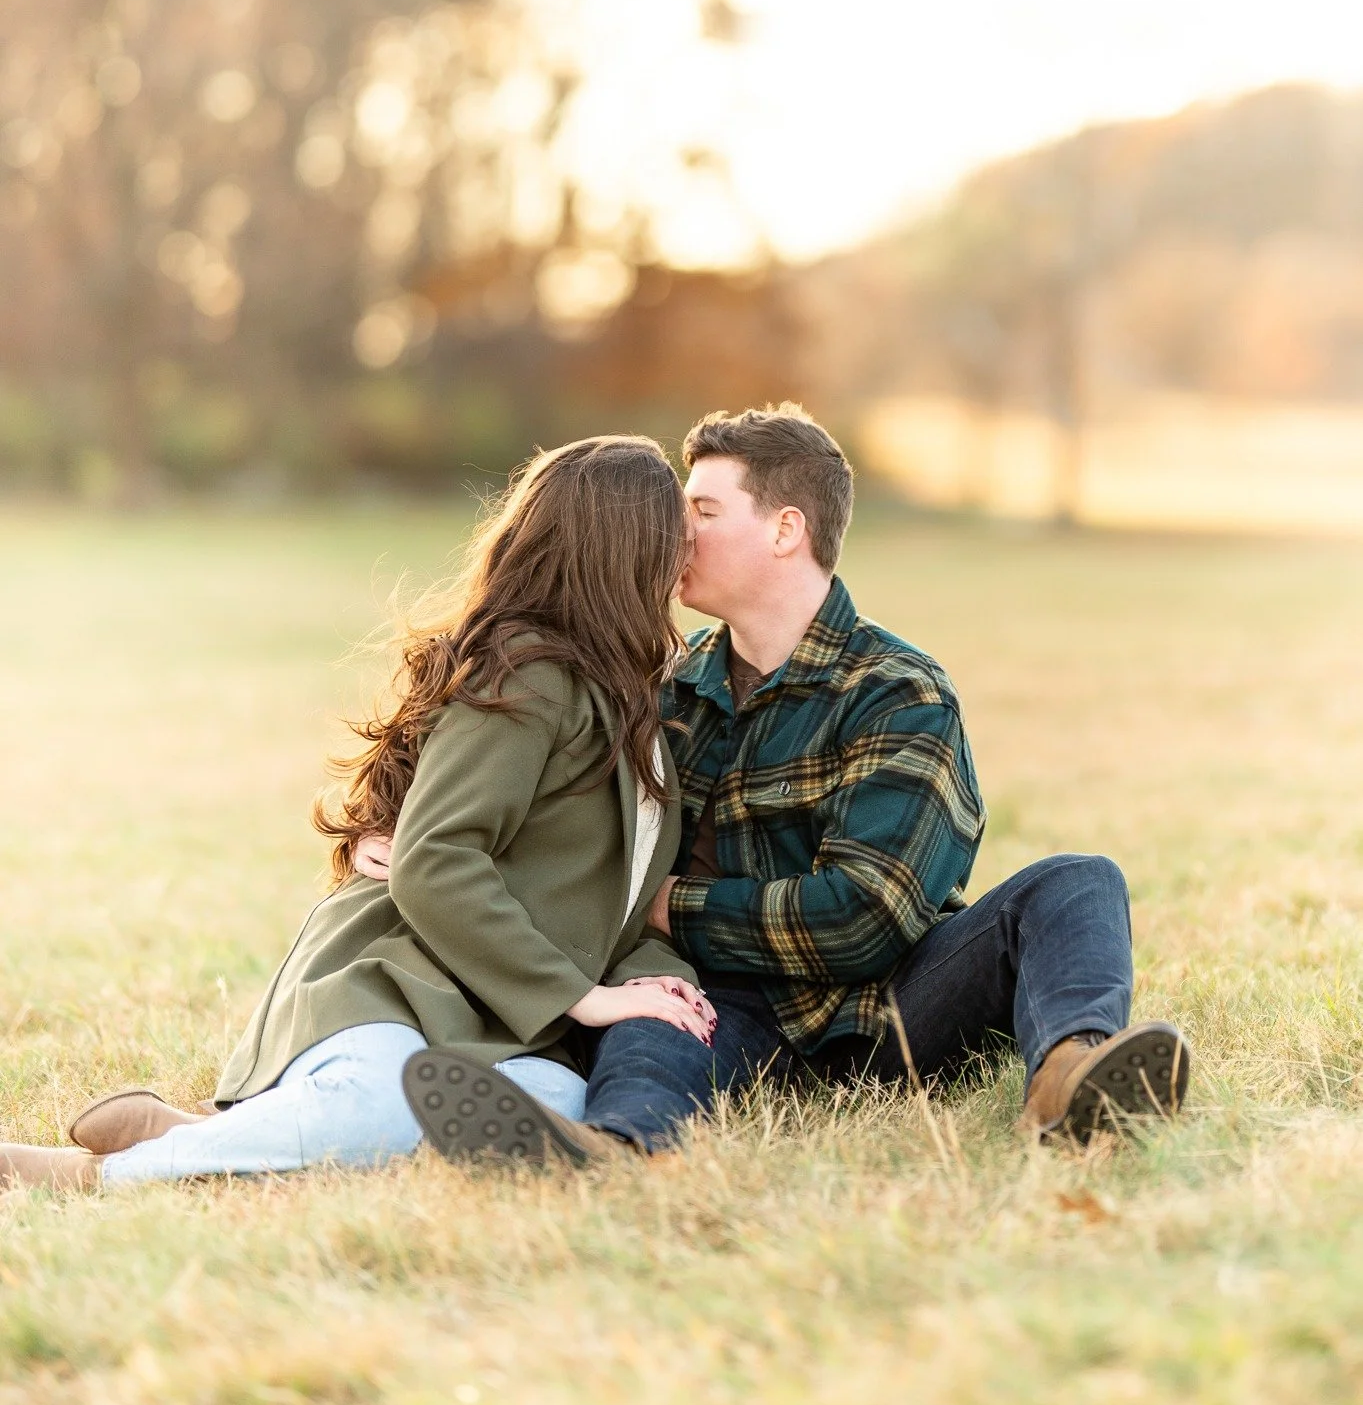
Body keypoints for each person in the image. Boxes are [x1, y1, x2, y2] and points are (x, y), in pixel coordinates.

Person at [363, 405, 1190, 1165]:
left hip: (894, 1010)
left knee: (1079, 881)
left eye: (703, 513)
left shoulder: (896, 690)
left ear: (785, 529)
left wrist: (666, 906)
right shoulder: (661, 690)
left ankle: (1069, 1080)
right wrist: (388, 825)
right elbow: (529, 787)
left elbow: (865, 914)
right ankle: (613, 1150)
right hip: (719, 1010)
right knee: (651, 1019)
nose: (673, 533)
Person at [0, 436, 716, 1193]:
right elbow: (436, 859)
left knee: (559, 1101)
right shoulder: (534, 674)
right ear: (623, 548)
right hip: (396, 985)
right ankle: (91, 1176)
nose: (688, 544)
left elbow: (618, 891)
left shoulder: (630, 690)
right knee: (375, 1109)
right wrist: (589, 997)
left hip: (496, 1019)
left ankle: (200, 1132)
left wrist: (659, 984)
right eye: (676, 526)